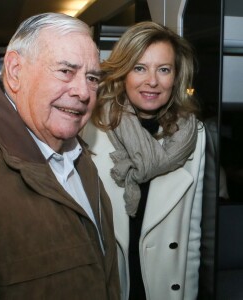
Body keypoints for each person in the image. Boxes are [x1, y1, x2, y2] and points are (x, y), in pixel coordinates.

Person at [0, 13, 120, 299]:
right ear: (14, 71)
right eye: (65, 71)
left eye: (91, 78)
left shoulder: (76, 149)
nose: (83, 92)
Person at [81, 21, 206, 300]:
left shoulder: (193, 134)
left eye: (163, 69)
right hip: (111, 280)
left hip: (164, 283)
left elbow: (191, 236)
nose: (152, 81)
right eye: (140, 68)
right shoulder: (91, 128)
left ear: (176, 76)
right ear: (123, 72)